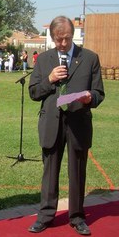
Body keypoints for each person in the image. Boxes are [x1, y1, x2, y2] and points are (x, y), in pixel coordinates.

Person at [28, 16, 105, 236]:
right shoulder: (44, 59)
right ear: (52, 37)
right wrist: (49, 79)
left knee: (78, 172)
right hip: (51, 123)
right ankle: (45, 216)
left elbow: (100, 93)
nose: (63, 43)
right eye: (58, 39)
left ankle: (77, 217)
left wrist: (91, 98)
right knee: (49, 172)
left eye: (67, 38)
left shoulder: (89, 58)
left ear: (73, 35)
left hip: (79, 123)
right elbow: (34, 93)